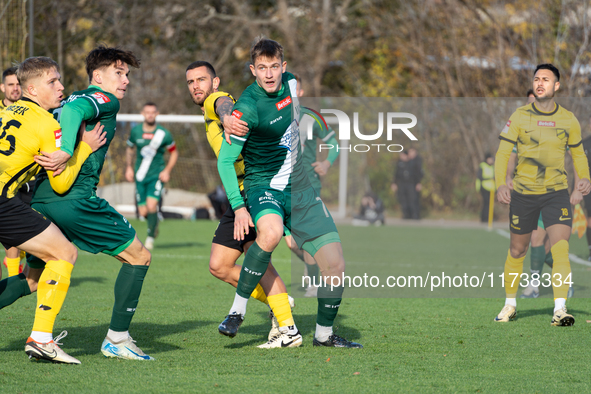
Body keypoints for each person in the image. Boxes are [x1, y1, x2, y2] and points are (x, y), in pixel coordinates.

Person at [7, 46, 154, 361]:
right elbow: (75, 116)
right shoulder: (102, 100)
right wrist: (69, 151)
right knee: (139, 257)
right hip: (74, 199)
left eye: (127, 74)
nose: (125, 81)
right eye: (119, 73)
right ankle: (118, 338)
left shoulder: (64, 99)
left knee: (33, 281)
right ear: (98, 76)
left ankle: (43, 336)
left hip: (41, 200)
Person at [217, 37, 362, 348]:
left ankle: (323, 334)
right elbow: (225, 160)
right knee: (269, 233)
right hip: (264, 185)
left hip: (301, 189)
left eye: (274, 67)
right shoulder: (247, 108)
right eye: (261, 68)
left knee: (335, 265)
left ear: (283, 67)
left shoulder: (293, 85)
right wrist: (239, 207)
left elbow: (300, 105)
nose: (269, 75)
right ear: (252, 70)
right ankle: (237, 311)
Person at [0, 56, 106, 363]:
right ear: (31, 89)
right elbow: (61, 185)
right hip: (3, 201)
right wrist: (85, 147)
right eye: (52, 82)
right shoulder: (48, 124)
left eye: (59, 80)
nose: (61, 86)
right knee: (65, 253)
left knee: (34, 277)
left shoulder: (7, 111)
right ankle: (41, 340)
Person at [186, 60, 295, 343]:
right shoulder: (212, 110)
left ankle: (287, 326)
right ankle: (280, 307)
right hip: (241, 190)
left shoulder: (217, 101)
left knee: (258, 260)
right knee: (220, 265)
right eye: (190, 82)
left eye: (201, 79)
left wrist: (225, 116)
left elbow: (222, 103)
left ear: (216, 82)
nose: (196, 86)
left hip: (250, 191)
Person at [494, 63, 591, 326]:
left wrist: (584, 179)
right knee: (517, 250)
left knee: (560, 248)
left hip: (556, 193)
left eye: (546, 79)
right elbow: (503, 153)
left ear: (556, 86)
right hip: (524, 194)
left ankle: (560, 309)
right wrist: (501, 183)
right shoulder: (519, 116)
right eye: (537, 79)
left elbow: (578, 154)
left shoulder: (568, 119)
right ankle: (510, 305)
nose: (540, 83)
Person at [283, 73, 340, 297]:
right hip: (281, 188)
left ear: (301, 92)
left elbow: (334, 144)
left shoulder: (311, 118)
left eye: (294, 88)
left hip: (308, 185)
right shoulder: (272, 117)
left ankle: (313, 283)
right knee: (291, 243)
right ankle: (315, 265)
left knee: (304, 237)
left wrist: (326, 162)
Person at [125, 102, 178, 250]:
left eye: (153, 112)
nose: (150, 115)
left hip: (156, 175)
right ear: (142, 113)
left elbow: (174, 152)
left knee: (151, 205)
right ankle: (154, 224)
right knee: (143, 212)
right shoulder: (135, 132)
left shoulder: (164, 134)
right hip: (140, 175)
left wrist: (167, 170)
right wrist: (128, 167)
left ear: (157, 114)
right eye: (147, 112)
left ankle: (150, 237)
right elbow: (130, 149)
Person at [0, 66, 28, 278]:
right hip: (4, 180)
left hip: (28, 178)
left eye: (18, 84)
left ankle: (16, 268)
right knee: (13, 233)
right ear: (3, 88)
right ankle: (12, 276)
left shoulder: (31, 111)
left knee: (23, 233)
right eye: (11, 84)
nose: (15, 89)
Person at [391, 147, 423, 219]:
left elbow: (418, 173)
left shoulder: (413, 162)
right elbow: (396, 174)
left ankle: (415, 215)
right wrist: (394, 183)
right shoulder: (400, 163)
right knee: (403, 199)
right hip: (402, 183)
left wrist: (418, 183)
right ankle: (406, 215)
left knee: (412, 199)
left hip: (411, 183)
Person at [476, 153, 495, 223]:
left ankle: (489, 218)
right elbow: (479, 177)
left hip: (491, 188)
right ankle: (484, 218)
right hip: (484, 187)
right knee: (486, 203)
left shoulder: (492, 167)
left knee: (490, 204)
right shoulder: (483, 166)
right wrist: (489, 178)